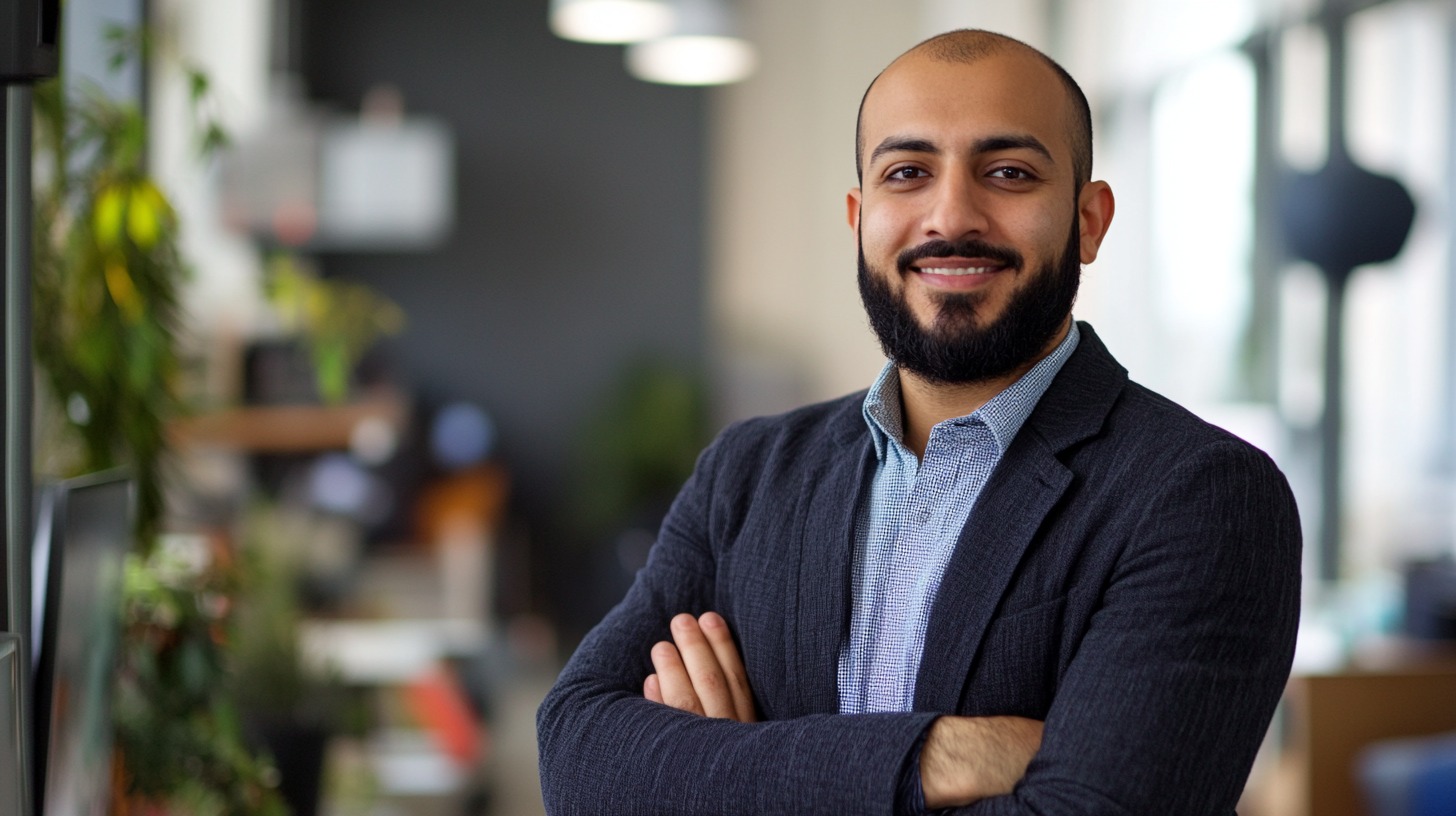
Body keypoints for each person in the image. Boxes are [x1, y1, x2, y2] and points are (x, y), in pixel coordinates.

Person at [537, 28, 1301, 815]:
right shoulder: (748, 473)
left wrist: (719, 778)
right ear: (858, 218)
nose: (951, 215)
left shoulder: (1202, 496)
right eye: (908, 173)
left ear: (1089, 220)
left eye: (1008, 172)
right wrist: (934, 755)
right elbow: (575, 759)